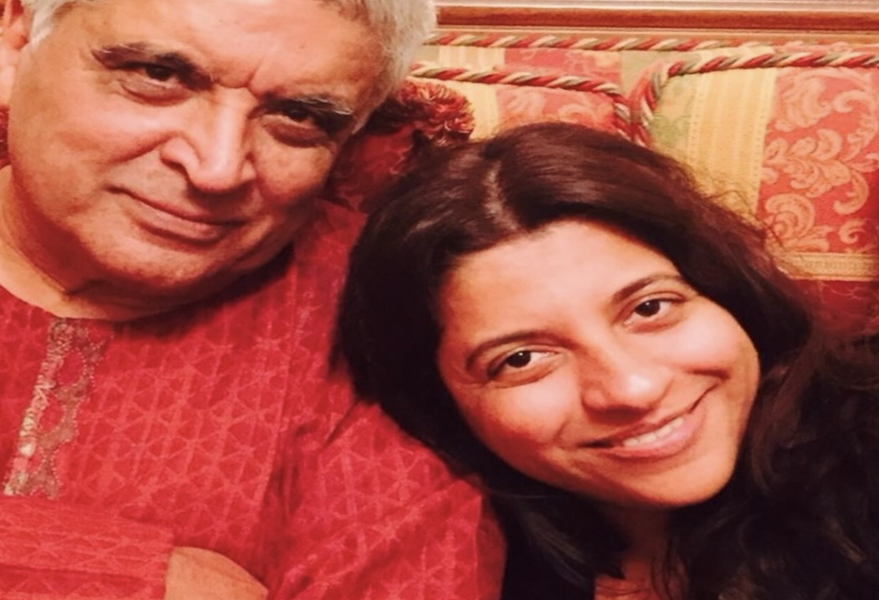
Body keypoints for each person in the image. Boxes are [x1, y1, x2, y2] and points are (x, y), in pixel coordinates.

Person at [0, 0, 504, 598]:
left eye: (299, 115)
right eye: (158, 75)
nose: (217, 168)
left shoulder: (391, 312)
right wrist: (130, 575)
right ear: (18, 43)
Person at [336, 121, 879, 599]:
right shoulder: (460, 558)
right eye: (522, 359)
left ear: (731, 296)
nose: (631, 388)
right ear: (442, 403)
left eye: (650, 308)